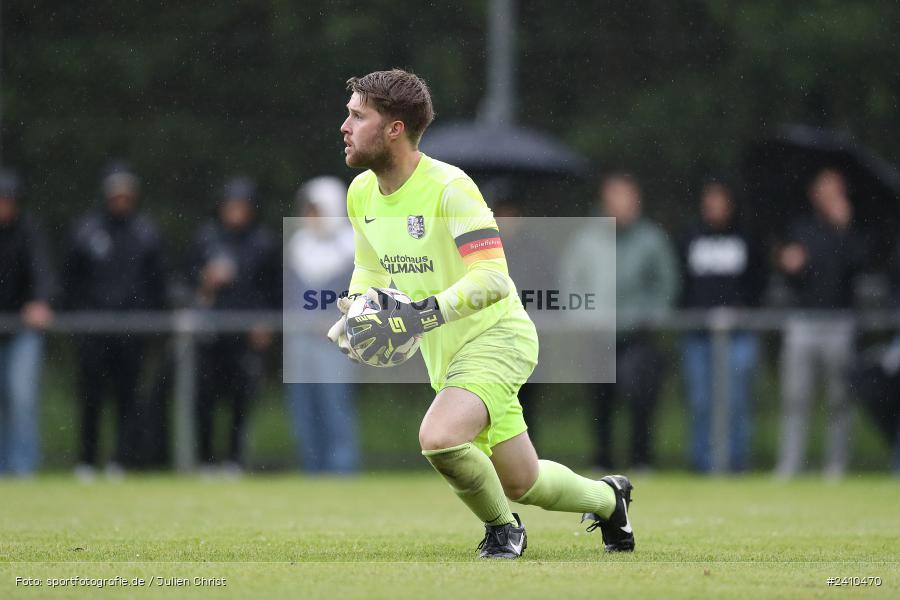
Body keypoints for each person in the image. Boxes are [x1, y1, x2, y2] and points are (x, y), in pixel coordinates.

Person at [327, 69, 634, 559]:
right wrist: (358, 311)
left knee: (439, 437)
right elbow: (369, 269)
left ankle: (503, 531)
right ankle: (608, 499)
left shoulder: (451, 188)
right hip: (447, 355)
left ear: (394, 129)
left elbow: (493, 279)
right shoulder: (360, 193)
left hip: (498, 338)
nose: (344, 126)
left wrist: (416, 317)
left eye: (357, 116)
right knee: (523, 481)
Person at [565, 174, 679, 470]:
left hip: (637, 335)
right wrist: (584, 317)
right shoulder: (587, 239)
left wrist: (651, 316)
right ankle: (602, 460)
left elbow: (666, 285)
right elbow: (571, 284)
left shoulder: (651, 239)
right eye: (615, 197)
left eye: (626, 198)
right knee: (599, 402)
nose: (621, 205)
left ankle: (641, 460)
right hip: (596, 335)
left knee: (641, 398)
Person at [64, 162, 167, 478]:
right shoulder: (86, 230)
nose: (121, 199)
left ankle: (121, 460)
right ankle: (86, 460)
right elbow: (71, 281)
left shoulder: (145, 232)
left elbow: (157, 283)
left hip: (131, 332)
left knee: (128, 398)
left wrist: (149, 322)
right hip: (93, 330)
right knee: (91, 397)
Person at [775, 168, 865, 478]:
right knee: (795, 397)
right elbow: (787, 277)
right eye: (824, 188)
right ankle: (790, 464)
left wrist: (845, 227)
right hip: (803, 321)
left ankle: (836, 465)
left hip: (840, 322)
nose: (829, 194)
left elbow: (861, 266)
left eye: (835, 188)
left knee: (840, 399)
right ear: (814, 194)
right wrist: (789, 265)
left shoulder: (854, 229)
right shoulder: (799, 228)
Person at [189, 177, 280, 472]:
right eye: (231, 206)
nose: (236, 212)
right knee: (204, 399)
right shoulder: (206, 238)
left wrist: (267, 322)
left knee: (241, 400)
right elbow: (183, 283)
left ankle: (234, 461)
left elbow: (275, 291)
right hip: (210, 334)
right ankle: (204, 460)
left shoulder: (263, 242)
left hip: (246, 336)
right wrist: (206, 282)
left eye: (242, 206)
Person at [677, 178, 765, 472]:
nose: (713, 206)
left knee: (736, 401)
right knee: (701, 401)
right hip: (698, 333)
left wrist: (747, 306)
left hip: (738, 333)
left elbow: (759, 280)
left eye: (719, 200)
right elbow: (680, 282)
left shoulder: (747, 237)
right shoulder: (690, 236)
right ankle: (702, 463)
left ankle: (735, 462)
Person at [284, 176, 359, 473]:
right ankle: (312, 473)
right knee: (304, 411)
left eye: (318, 210)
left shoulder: (352, 246)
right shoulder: (298, 246)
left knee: (334, 409)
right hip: (299, 340)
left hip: (335, 343)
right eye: (309, 210)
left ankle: (342, 474)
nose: (311, 217)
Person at [0, 169, 55, 476]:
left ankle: (22, 470)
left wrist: (40, 302)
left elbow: (42, 272)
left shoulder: (28, 231)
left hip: (21, 329)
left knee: (21, 397)